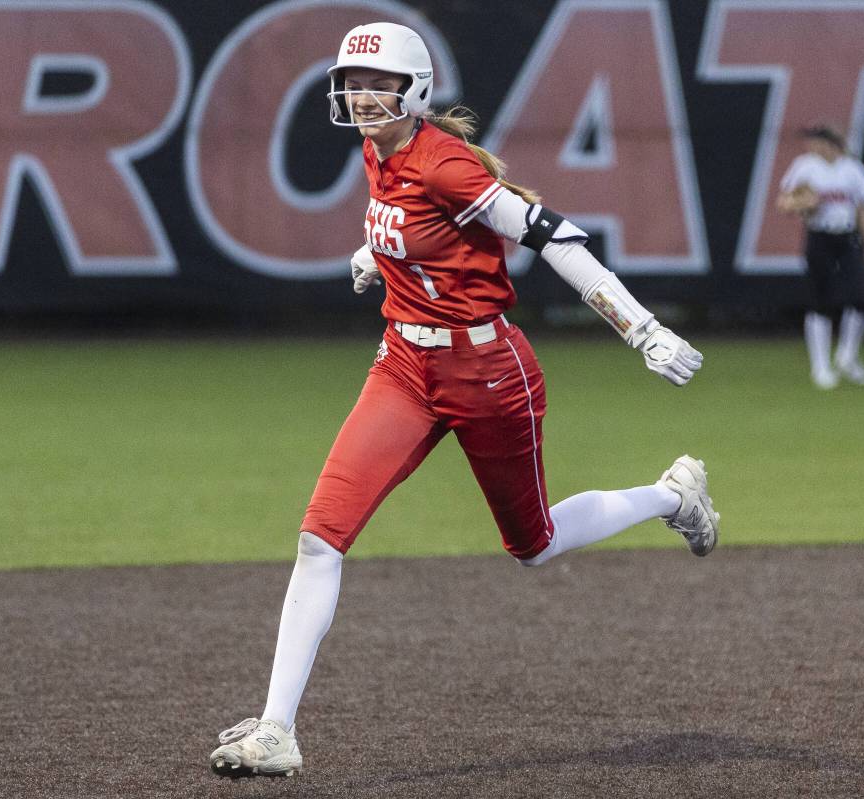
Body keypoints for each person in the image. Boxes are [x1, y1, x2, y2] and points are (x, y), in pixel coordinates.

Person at [208, 21, 719, 779]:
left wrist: (641, 328)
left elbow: (555, 237)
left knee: (534, 543)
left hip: (486, 370)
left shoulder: (446, 166)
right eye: (353, 80)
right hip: (404, 365)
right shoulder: (377, 149)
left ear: (414, 90)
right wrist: (374, 252)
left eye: (378, 83)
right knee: (321, 535)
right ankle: (278, 729)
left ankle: (671, 496)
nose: (360, 94)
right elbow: (418, 232)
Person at [777, 125, 864, 389]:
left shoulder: (851, 169)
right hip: (819, 237)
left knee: (862, 297)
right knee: (819, 301)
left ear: (830, 143)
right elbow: (784, 202)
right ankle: (820, 366)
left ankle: (847, 355)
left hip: (846, 238)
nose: (812, 147)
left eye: (816, 142)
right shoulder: (805, 166)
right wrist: (804, 204)